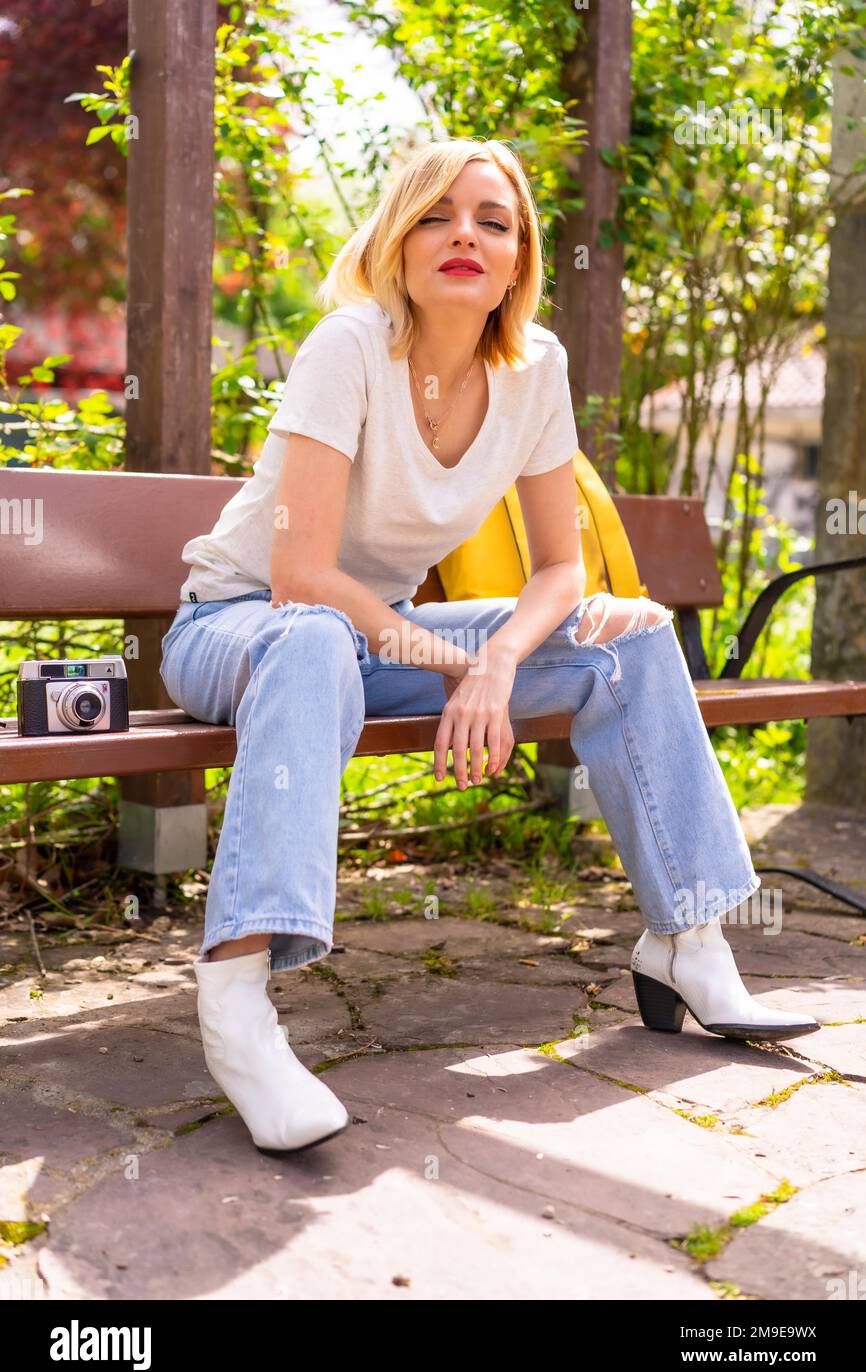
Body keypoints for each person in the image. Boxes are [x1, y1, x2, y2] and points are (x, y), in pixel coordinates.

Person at [159, 137, 819, 1155]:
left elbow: (561, 568)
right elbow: (298, 579)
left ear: (516, 260)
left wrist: (497, 658)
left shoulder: (534, 367)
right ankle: (238, 1002)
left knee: (628, 637)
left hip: (367, 637)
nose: (462, 233)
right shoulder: (349, 347)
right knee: (311, 638)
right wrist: (442, 658)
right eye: (435, 214)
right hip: (243, 628)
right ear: (397, 239)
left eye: (491, 220)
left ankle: (687, 940)